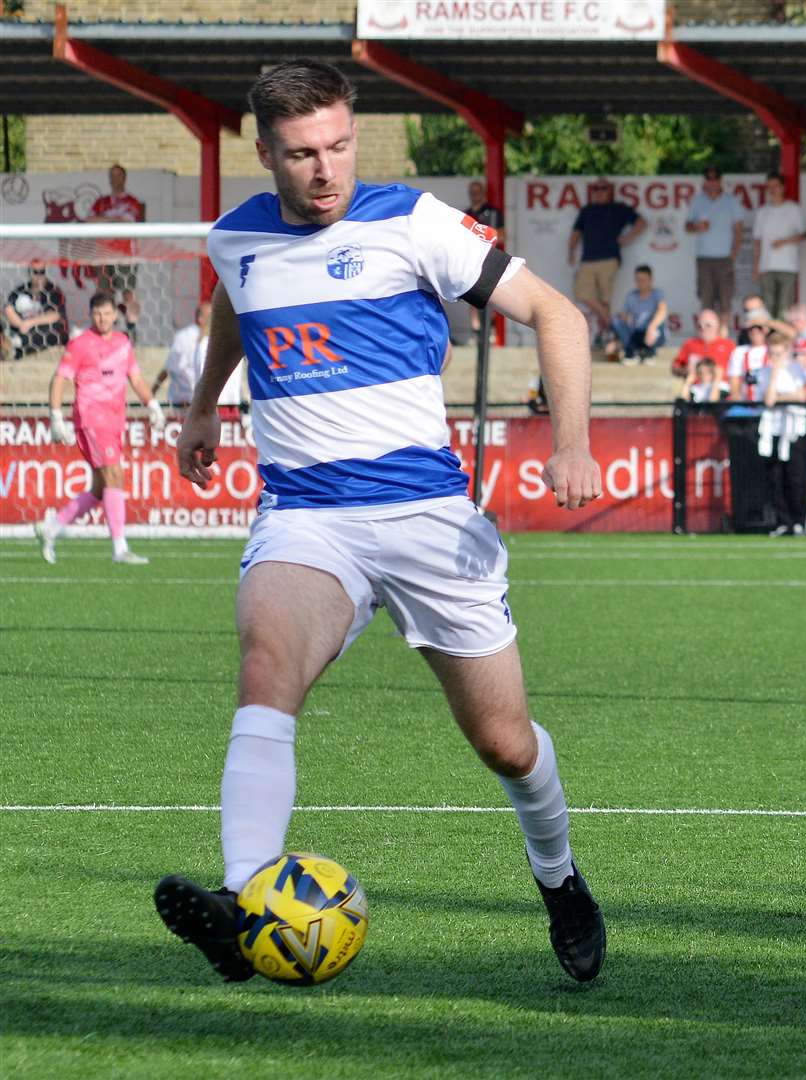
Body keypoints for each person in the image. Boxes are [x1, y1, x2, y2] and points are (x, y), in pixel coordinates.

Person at [151, 59, 607, 988]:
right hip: (306, 516)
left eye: (338, 146)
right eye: (302, 154)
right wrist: (205, 403)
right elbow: (236, 296)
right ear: (265, 151)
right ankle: (246, 909)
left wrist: (572, 443)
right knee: (265, 667)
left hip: (428, 519)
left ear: (354, 131)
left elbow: (558, 315)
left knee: (504, 743)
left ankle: (559, 877)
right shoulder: (235, 238)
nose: (325, 169)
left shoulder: (414, 222)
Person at [36, 292, 165, 566]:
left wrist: (152, 404)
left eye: (106, 313)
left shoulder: (123, 342)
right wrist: (56, 416)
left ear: (115, 314)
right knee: (115, 474)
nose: (102, 318)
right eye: (97, 314)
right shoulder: (80, 344)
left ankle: (52, 527)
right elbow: (60, 379)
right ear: (91, 315)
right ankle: (120, 548)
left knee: (100, 487)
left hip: (116, 420)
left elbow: (136, 378)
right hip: (91, 418)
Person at [569, 176, 645, 341]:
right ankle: (614, 326)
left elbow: (641, 222)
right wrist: (571, 250)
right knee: (582, 293)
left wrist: (628, 238)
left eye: (603, 188)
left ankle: (605, 337)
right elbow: (576, 232)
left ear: (610, 191)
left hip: (609, 258)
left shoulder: (618, 208)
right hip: (587, 259)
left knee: (605, 300)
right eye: (596, 189)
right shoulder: (587, 210)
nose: (599, 192)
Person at [755, 330, 806, 537]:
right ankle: (783, 521)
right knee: (775, 478)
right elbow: (769, 400)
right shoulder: (764, 372)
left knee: (795, 477)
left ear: (787, 351)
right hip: (774, 431)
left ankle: (798, 520)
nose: (775, 358)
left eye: (779, 353)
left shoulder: (798, 370)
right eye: (772, 353)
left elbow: (802, 395)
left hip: (794, 431)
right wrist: (775, 375)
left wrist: (782, 396)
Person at [686, 167, 745, 335]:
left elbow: (739, 229)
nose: (712, 182)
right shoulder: (697, 201)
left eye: (715, 178)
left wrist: (734, 253)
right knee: (706, 298)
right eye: (709, 179)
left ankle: (724, 333)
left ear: (720, 180)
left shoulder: (731, 201)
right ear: (705, 181)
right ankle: (707, 333)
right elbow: (687, 226)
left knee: (725, 298)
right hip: (704, 257)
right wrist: (697, 226)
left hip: (724, 257)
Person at [88, 163, 146, 327]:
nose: (115, 179)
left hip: (125, 254)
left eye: (118, 175)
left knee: (128, 292)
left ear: (124, 177)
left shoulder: (132, 201)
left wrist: (104, 219)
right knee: (104, 292)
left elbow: (128, 222)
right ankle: (108, 327)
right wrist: (114, 219)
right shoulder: (101, 201)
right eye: (112, 175)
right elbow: (89, 221)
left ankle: (131, 327)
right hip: (103, 253)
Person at [753, 173, 806, 321]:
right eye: (769, 186)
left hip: (788, 266)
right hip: (766, 266)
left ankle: (782, 341)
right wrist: (756, 267)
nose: (772, 190)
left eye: (775, 186)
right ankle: (769, 340)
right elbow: (757, 241)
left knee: (785, 307)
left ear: (783, 187)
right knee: (767, 307)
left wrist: (785, 241)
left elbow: (804, 235)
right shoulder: (762, 212)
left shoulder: (794, 209)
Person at [464, 179, 507, 335]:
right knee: (472, 292)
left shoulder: (493, 212)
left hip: (490, 257)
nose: (475, 195)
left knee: (493, 294)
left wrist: (485, 237)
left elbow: (501, 236)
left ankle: (492, 328)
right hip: (472, 259)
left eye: (477, 192)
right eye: (472, 192)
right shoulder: (466, 214)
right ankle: (477, 330)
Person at [4, 260, 67, 360]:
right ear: (29, 272)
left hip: (42, 332)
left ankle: (17, 343)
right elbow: (8, 309)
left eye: (42, 272)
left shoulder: (53, 291)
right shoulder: (20, 290)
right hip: (22, 330)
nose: (38, 276)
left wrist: (30, 322)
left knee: (55, 328)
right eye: (35, 272)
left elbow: (54, 315)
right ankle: (15, 344)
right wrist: (21, 324)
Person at [153, 300, 212, 406]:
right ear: (200, 319)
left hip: (210, 402)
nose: (214, 320)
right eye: (210, 317)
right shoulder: (185, 337)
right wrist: (152, 393)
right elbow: (169, 368)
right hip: (183, 402)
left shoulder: (217, 338)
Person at [608, 264, 668, 364]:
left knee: (656, 321)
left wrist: (651, 327)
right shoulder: (631, 296)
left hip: (654, 333)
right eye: (637, 280)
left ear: (650, 280)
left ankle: (649, 352)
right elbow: (624, 317)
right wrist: (615, 339)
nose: (640, 283)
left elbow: (662, 311)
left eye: (643, 280)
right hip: (636, 333)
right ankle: (632, 352)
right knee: (616, 321)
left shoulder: (657, 294)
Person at [671, 308, 735, 379]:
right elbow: (676, 367)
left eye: (708, 325)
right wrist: (686, 371)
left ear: (717, 326)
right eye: (699, 326)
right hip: (696, 386)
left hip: (721, 386)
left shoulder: (728, 345)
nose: (703, 329)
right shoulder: (689, 344)